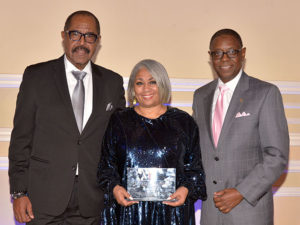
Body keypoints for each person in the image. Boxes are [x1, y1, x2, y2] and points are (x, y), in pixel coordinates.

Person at [9, 10, 125, 224]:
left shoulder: (112, 83)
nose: (82, 42)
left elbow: (117, 144)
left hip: (92, 200)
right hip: (42, 200)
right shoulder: (36, 77)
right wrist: (18, 192)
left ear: (98, 41)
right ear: (63, 36)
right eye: (75, 35)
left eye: (89, 36)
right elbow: (21, 140)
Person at [192, 28, 289, 225]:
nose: (224, 58)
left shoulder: (265, 93)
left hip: (249, 211)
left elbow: (277, 156)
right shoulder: (200, 96)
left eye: (231, 51)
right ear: (210, 57)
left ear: (242, 53)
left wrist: (241, 192)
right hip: (210, 212)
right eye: (217, 53)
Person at [98, 59, 207, 225]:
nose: (146, 89)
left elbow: (195, 169)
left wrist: (185, 190)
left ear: (162, 84)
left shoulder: (184, 122)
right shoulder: (119, 121)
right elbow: (106, 165)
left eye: (153, 82)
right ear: (133, 89)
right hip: (129, 213)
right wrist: (115, 188)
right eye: (140, 83)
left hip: (172, 214)